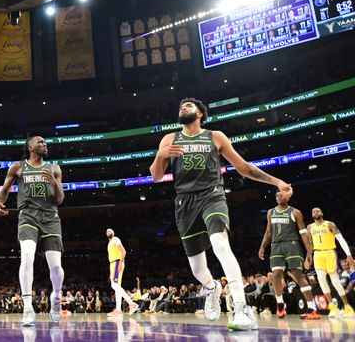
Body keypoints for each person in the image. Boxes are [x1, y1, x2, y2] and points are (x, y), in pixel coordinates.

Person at [149, 97, 293, 331]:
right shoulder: (169, 139)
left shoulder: (215, 136)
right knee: (197, 269)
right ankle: (211, 287)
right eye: (180, 105)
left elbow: (244, 167)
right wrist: (160, 155)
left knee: (220, 245)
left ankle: (241, 308)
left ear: (200, 114)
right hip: (184, 203)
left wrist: (277, 182)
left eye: (188, 106)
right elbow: (156, 176)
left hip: (212, 196)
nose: (182, 107)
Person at [0, 136, 65, 326]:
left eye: (45, 143)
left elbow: (59, 200)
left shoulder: (54, 168)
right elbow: (5, 188)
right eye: (40, 142)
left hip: (51, 217)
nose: (45, 144)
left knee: (56, 267)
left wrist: (55, 184)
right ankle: (28, 308)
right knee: (26, 256)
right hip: (28, 215)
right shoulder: (18, 167)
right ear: (30, 146)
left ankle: (56, 297)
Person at [257, 190, 319, 318]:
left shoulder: (295, 212)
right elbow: (268, 232)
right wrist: (262, 247)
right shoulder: (270, 212)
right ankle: (280, 304)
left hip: (292, 244)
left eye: (282, 195)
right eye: (277, 196)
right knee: (276, 274)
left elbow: (303, 233)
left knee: (297, 274)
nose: (279, 197)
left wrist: (309, 251)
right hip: (276, 245)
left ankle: (311, 307)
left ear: (287, 198)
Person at [307, 207, 355, 318]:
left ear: (322, 213)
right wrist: (308, 257)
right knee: (321, 280)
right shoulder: (310, 227)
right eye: (313, 211)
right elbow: (310, 244)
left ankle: (347, 307)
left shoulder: (329, 224)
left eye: (317, 210)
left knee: (335, 281)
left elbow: (341, 239)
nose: (315, 212)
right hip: (317, 254)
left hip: (330, 253)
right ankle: (332, 307)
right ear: (312, 215)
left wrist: (348, 254)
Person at [105, 229, 138, 315]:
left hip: (116, 263)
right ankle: (118, 309)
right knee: (117, 287)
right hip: (113, 264)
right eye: (107, 231)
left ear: (113, 233)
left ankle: (131, 303)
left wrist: (120, 263)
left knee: (114, 285)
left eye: (110, 231)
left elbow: (123, 251)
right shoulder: (110, 243)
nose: (108, 231)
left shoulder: (115, 239)